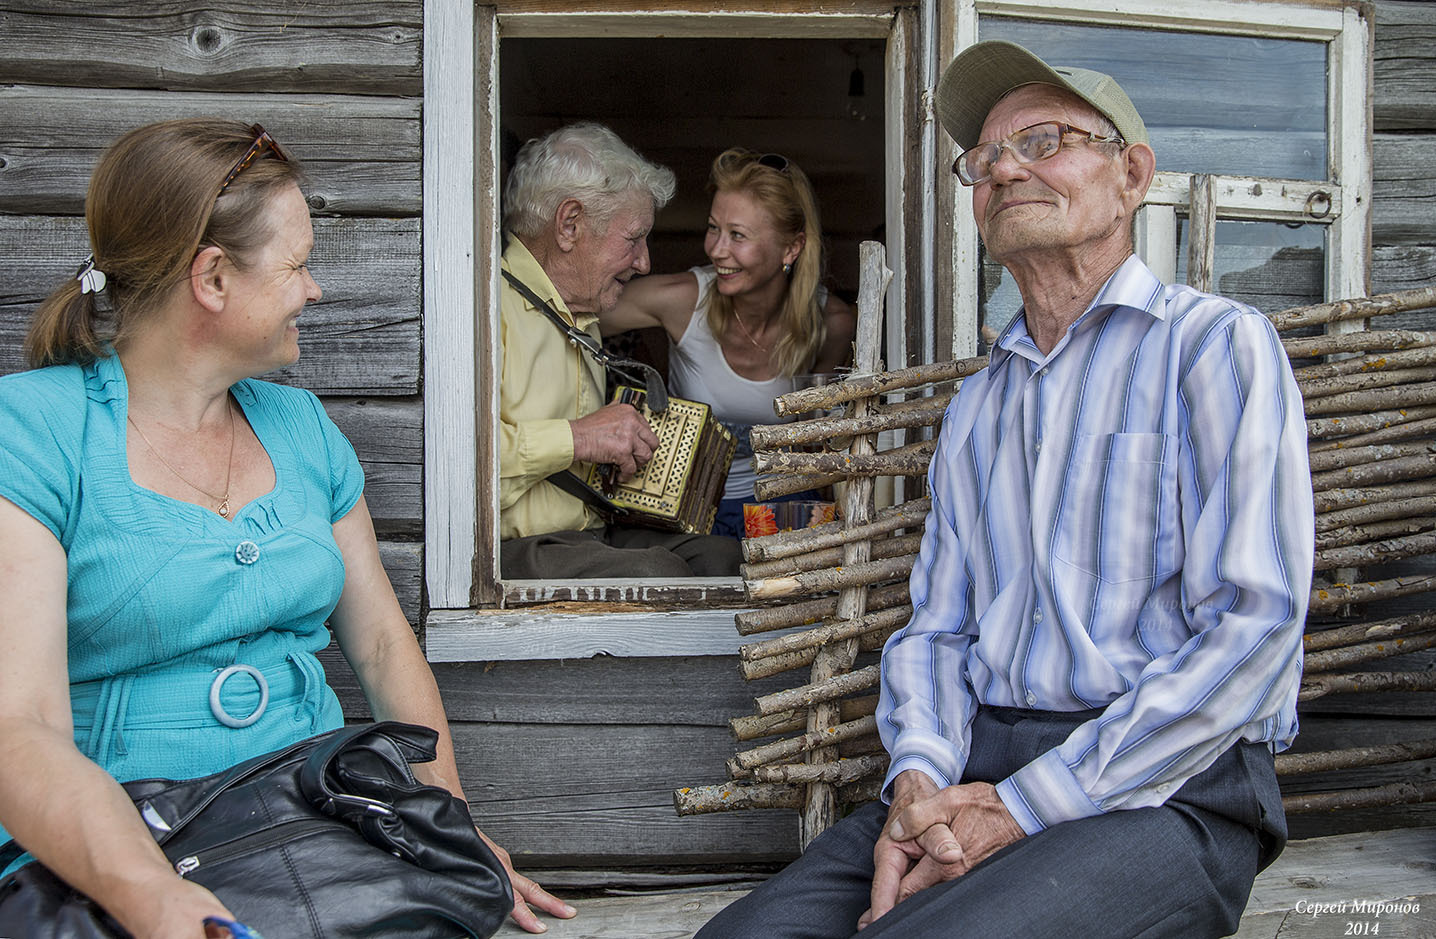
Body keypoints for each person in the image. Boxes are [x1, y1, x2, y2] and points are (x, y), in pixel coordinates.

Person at [697, 40, 1313, 939]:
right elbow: (937, 630)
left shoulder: (1215, 348)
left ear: (1131, 172)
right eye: (984, 161)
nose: (1005, 170)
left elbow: (1256, 626)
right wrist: (919, 788)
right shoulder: (982, 406)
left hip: (1170, 790)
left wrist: (1021, 806)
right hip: (974, 772)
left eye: (1043, 141)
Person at [0, 119, 574, 937]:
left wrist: (450, 829)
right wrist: (148, 893)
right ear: (212, 278)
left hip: (313, 825)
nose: (315, 289)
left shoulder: (302, 430)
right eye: (297, 264)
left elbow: (382, 646)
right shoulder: (31, 433)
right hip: (113, 852)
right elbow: (18, 730)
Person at [498, 123, 743, 578]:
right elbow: (462, 466)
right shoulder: (486, 309)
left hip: (589, 533)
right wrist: (579, 437)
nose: (645, 262)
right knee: (657, 576)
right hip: (510, 550)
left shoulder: (583, 314)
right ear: (569, 225)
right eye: (633, 239)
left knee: (722, 557)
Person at [602, 148, 856, 537]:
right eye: (713, 228)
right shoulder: (683, 300)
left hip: (780, 512)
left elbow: (817, 446)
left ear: (791, 248)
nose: (717, 250)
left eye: (737, 235)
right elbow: (573, 309)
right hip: (682, 513)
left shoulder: (831, 324)